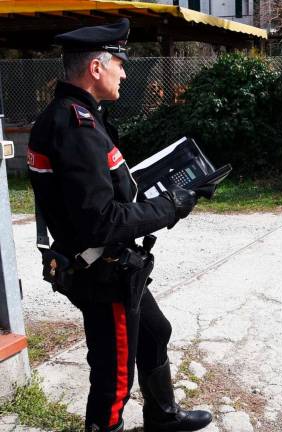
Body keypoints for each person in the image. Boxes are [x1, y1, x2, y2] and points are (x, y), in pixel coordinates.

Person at [27, 19, 212, 431]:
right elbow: (100, 222)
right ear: (97, 67)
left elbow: (104, 191)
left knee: (155, 330)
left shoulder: (76, 116)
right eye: (120, 63)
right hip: (102, 272)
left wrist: (174, 187)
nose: (125, 72)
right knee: (113, 379)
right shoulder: (75, 128)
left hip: (116, 266)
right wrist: (171, 206)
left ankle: (163, 417)